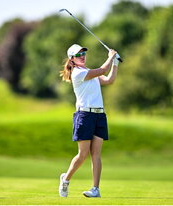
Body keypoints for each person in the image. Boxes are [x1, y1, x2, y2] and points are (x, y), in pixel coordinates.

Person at [58, 44, 119, 198]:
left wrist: (116, 63)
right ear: (72, 59)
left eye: (84, 53)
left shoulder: (87, 71)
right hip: (84, 116)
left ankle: (95, 189)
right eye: (79, 54)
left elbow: (109, 80)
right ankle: (66, 179)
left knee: (96, 154)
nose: (83, 56)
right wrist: (110, 57)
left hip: (99, 115)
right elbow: (102, 70)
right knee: (83, 154)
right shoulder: (77, 73)